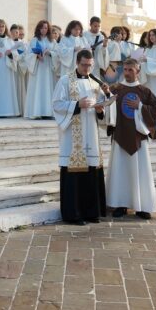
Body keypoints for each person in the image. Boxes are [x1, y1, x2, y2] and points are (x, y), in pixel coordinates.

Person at [52, 50, 109, 225]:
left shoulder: (95, 83)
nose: (87, 68)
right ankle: (73, 214)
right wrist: (77, 104)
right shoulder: (65, 81)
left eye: (90, 65)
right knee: (74, 173)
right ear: (77, 63)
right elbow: (56, 104)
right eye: (84, 65)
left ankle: (92, 212)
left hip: (91, 133)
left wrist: (101, 109)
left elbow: (101, 108)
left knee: (91, 170)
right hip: (73, 136)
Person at [106, 58, 156, 219]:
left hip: (138, 139)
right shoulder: (115, 89)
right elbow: (106, 108)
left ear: (138, 71)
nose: (127, 73)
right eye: (125, 70)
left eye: (131, 70)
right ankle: (120, 205)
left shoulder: (145, 92)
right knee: (120, 172)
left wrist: (141, 107)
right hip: (120, 137)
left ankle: (142, 206)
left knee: (140, 173)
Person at [24, 20, 56, 119]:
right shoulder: (34, 40)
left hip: (47, 68)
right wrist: (36, 56)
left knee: (47, 88)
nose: (44, 30)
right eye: (42, 28)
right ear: (38, 29)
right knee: (37, 88)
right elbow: (27, 55)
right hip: (37, 68)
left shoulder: (52, 41)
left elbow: (58, 54)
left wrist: (50, 53)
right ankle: (36, 112)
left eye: (46, 28)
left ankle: (47, 113)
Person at [10, 24, 28, 112]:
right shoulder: (8, 42)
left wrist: (17, 57)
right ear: (10, 33)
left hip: (19, 66)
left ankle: (20, 109)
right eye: (13, 32)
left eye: (17, 32)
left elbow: (26, 54)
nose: (15, 34)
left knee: (19, 87)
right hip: (11, 67)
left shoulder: (22, 43)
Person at [85, 16, 110, 81]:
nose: (97, 28)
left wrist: (104, 46)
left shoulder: (101, 37)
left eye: (99, 26)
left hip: (96, 63)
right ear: (90, 25)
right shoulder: (84, 35)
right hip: (85, 62)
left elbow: (103, 52)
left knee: (95, 82)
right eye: (95, 26)